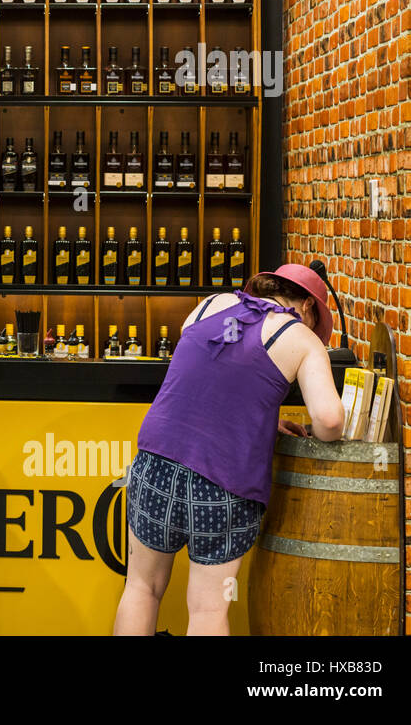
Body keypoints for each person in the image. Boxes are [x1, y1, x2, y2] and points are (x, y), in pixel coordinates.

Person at [113, 263, 346, 636]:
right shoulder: (302, 337)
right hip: (223, 484)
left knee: (142, 588)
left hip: (155, 463)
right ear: (308, 307)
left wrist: (264, 421)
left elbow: (206, 382)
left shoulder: (211, 304)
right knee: (207, 610)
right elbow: (329, 422)